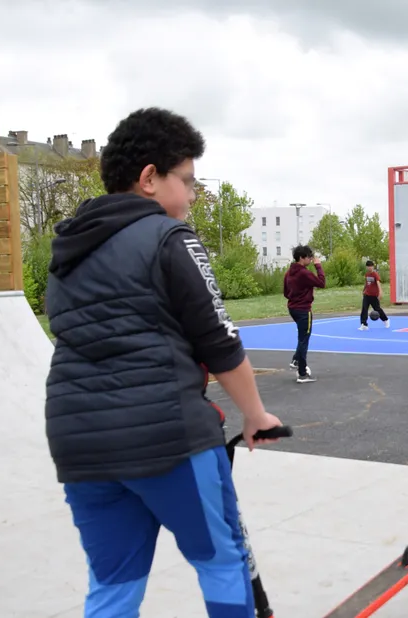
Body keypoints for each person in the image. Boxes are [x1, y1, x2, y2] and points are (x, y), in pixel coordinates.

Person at [43, 107, 284, 617]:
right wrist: (256, 414)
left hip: (80, 445)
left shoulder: (67, 253)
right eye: (188, 181)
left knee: (112, 585)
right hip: (166, 438)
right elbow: (220, 341)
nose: (194, 196)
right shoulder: (171, 239)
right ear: (150, 178)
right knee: (222, 562)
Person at [283, 244, 325, 383]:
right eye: (309, 257)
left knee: (302, 337)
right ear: (302, 258)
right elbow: (321, 282)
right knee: (304, 339)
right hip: (303, 310)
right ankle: (302, 373)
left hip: (293, 308)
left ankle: (296, 360)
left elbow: (285, 292)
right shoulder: (304, 272)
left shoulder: (289, 272)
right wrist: (318, 266)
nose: (311, 259)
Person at [359, 260, 389, 330]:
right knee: (364, 309)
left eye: (371, 266)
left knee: (377, 309)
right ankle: (364, 324)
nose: (370, 268)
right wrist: (364, 290)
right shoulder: (366, 274)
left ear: (373, 267)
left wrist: (380, 292)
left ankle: (386, 320)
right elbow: (366, 283)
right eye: (368, 266)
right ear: (366, 267)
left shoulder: (375, 274)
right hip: (367, 295)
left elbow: (378, 283)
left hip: (374, 296)